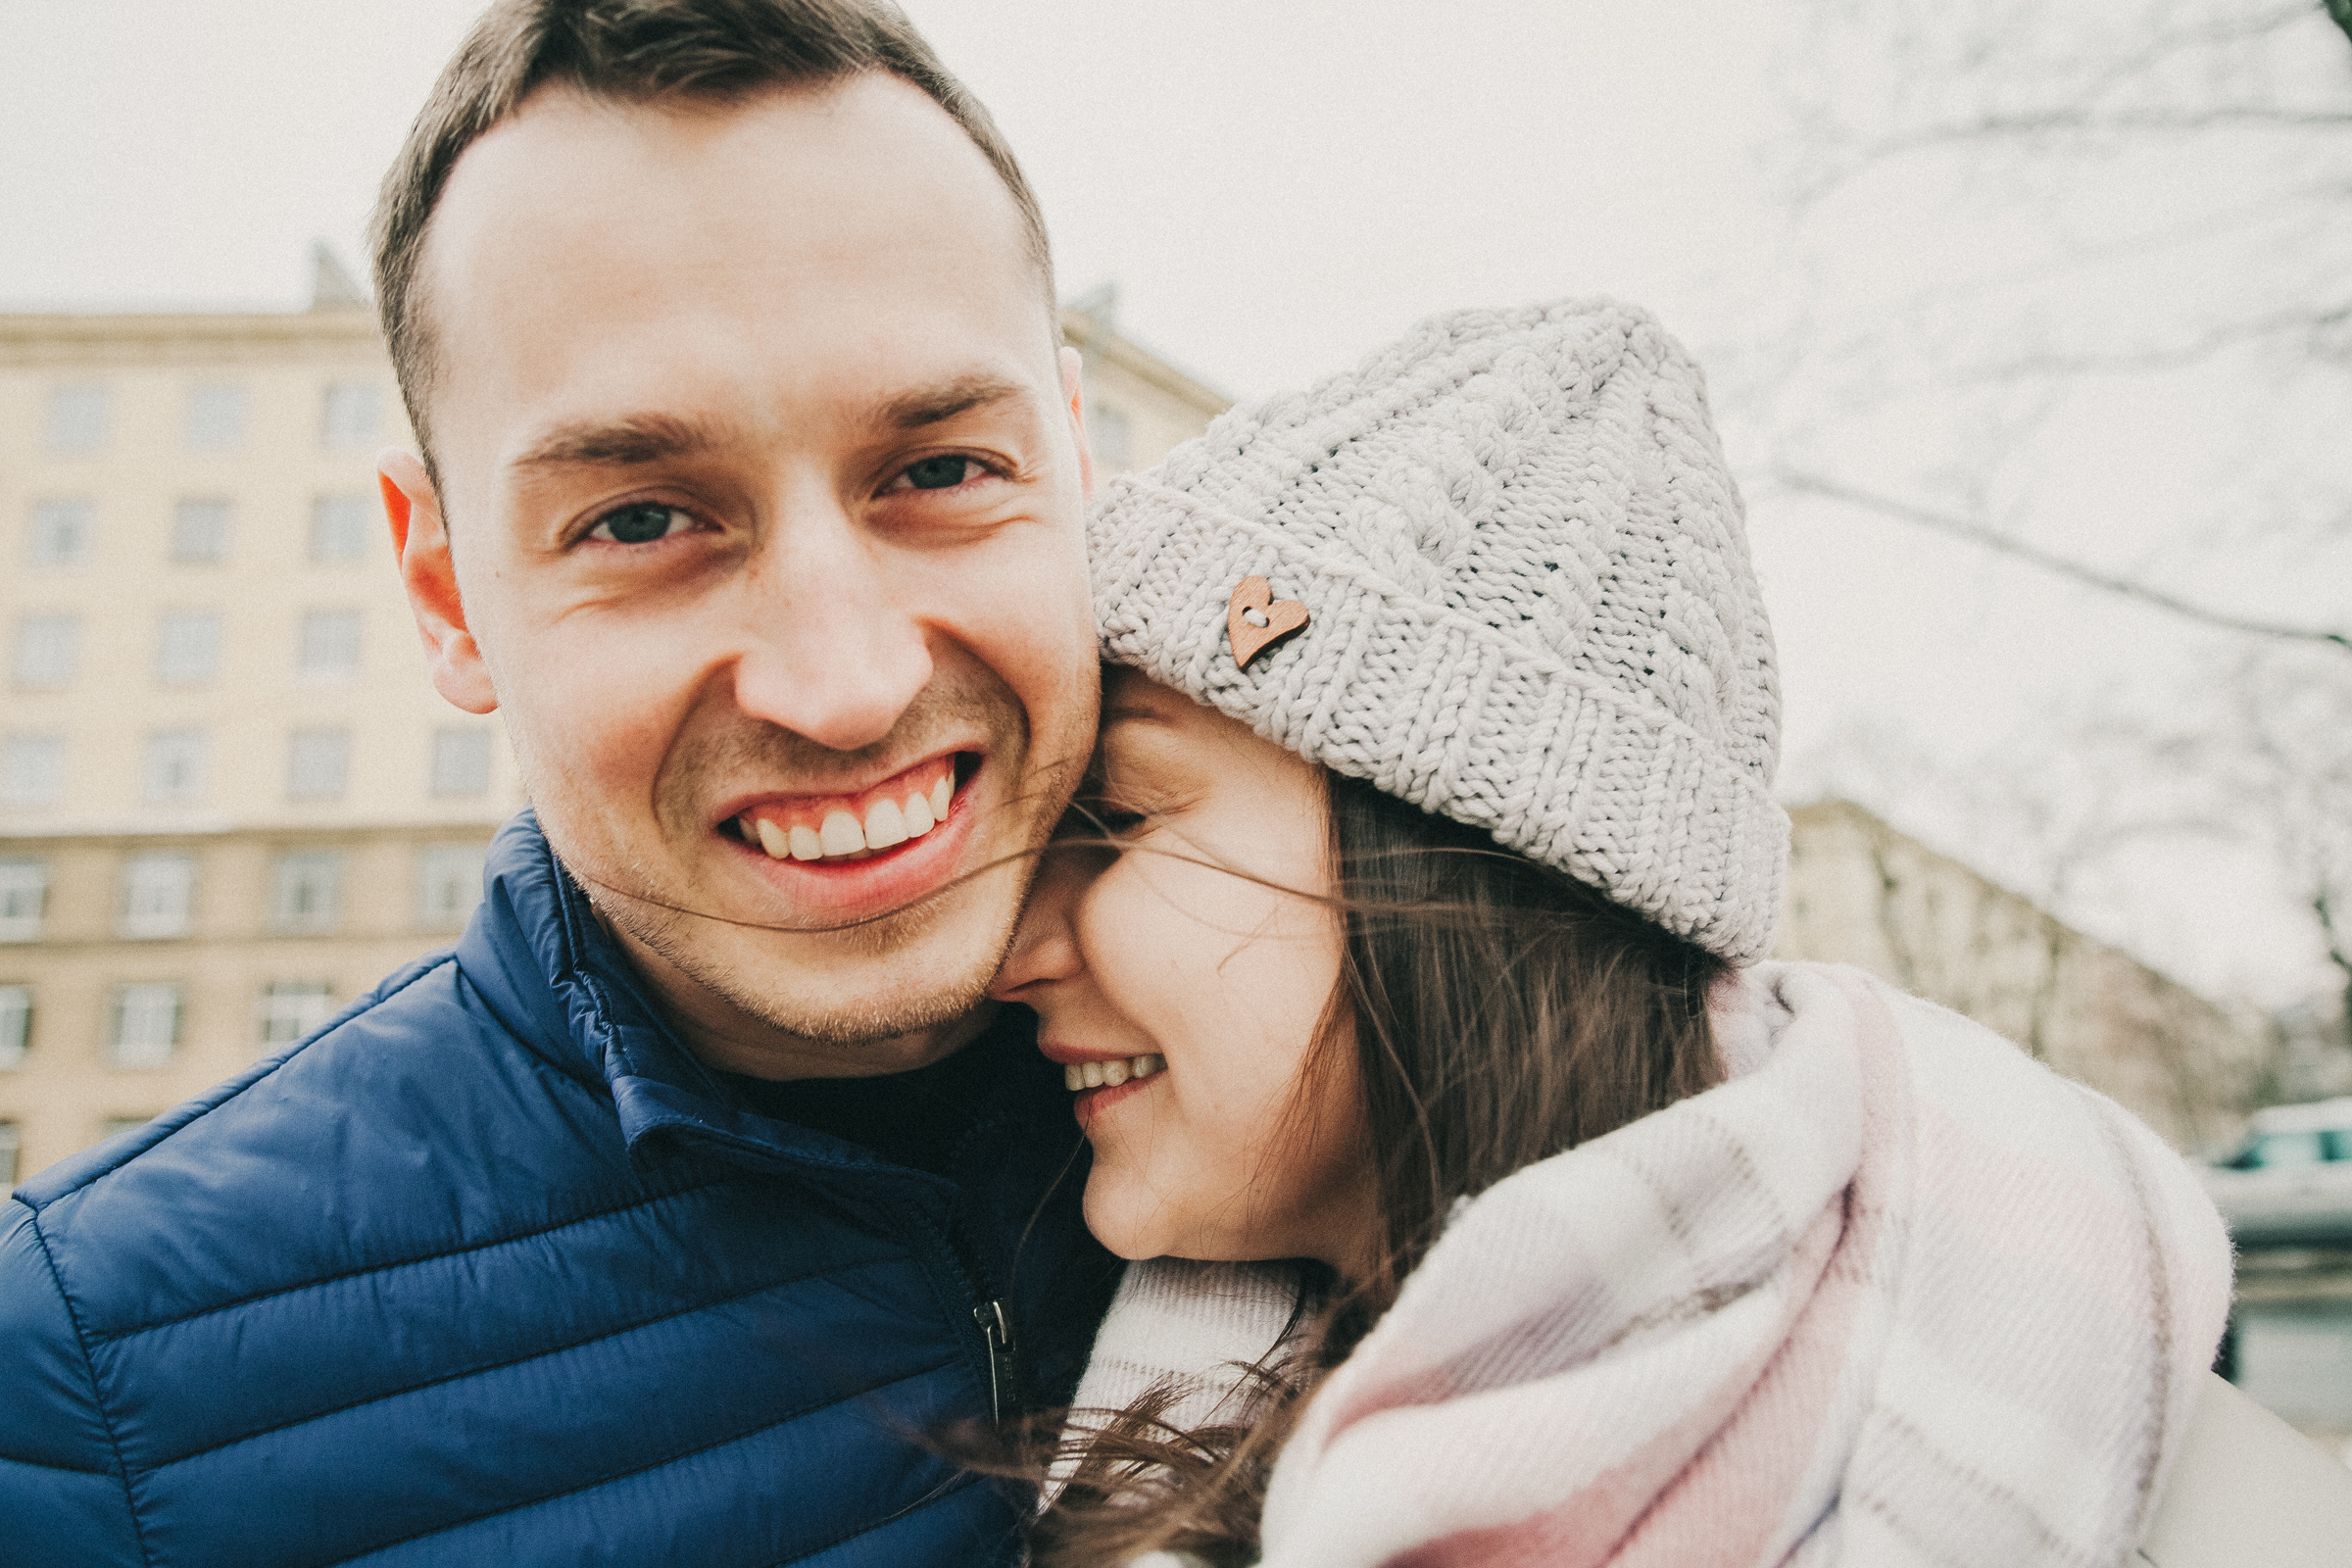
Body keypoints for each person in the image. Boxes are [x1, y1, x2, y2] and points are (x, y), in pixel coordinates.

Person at [0, 3, 1120, 1563]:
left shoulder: (1423, 1096)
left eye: (939, 471)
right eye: (645, 520)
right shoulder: (76, 1388)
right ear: (449, 596)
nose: (845, 680)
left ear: (1076, 464)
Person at [984, 299, 2246, 1567]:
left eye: (1119, 817)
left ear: (1461, 869)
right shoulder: (1144, 1395)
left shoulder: (2185, 1514)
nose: (1010, 953)